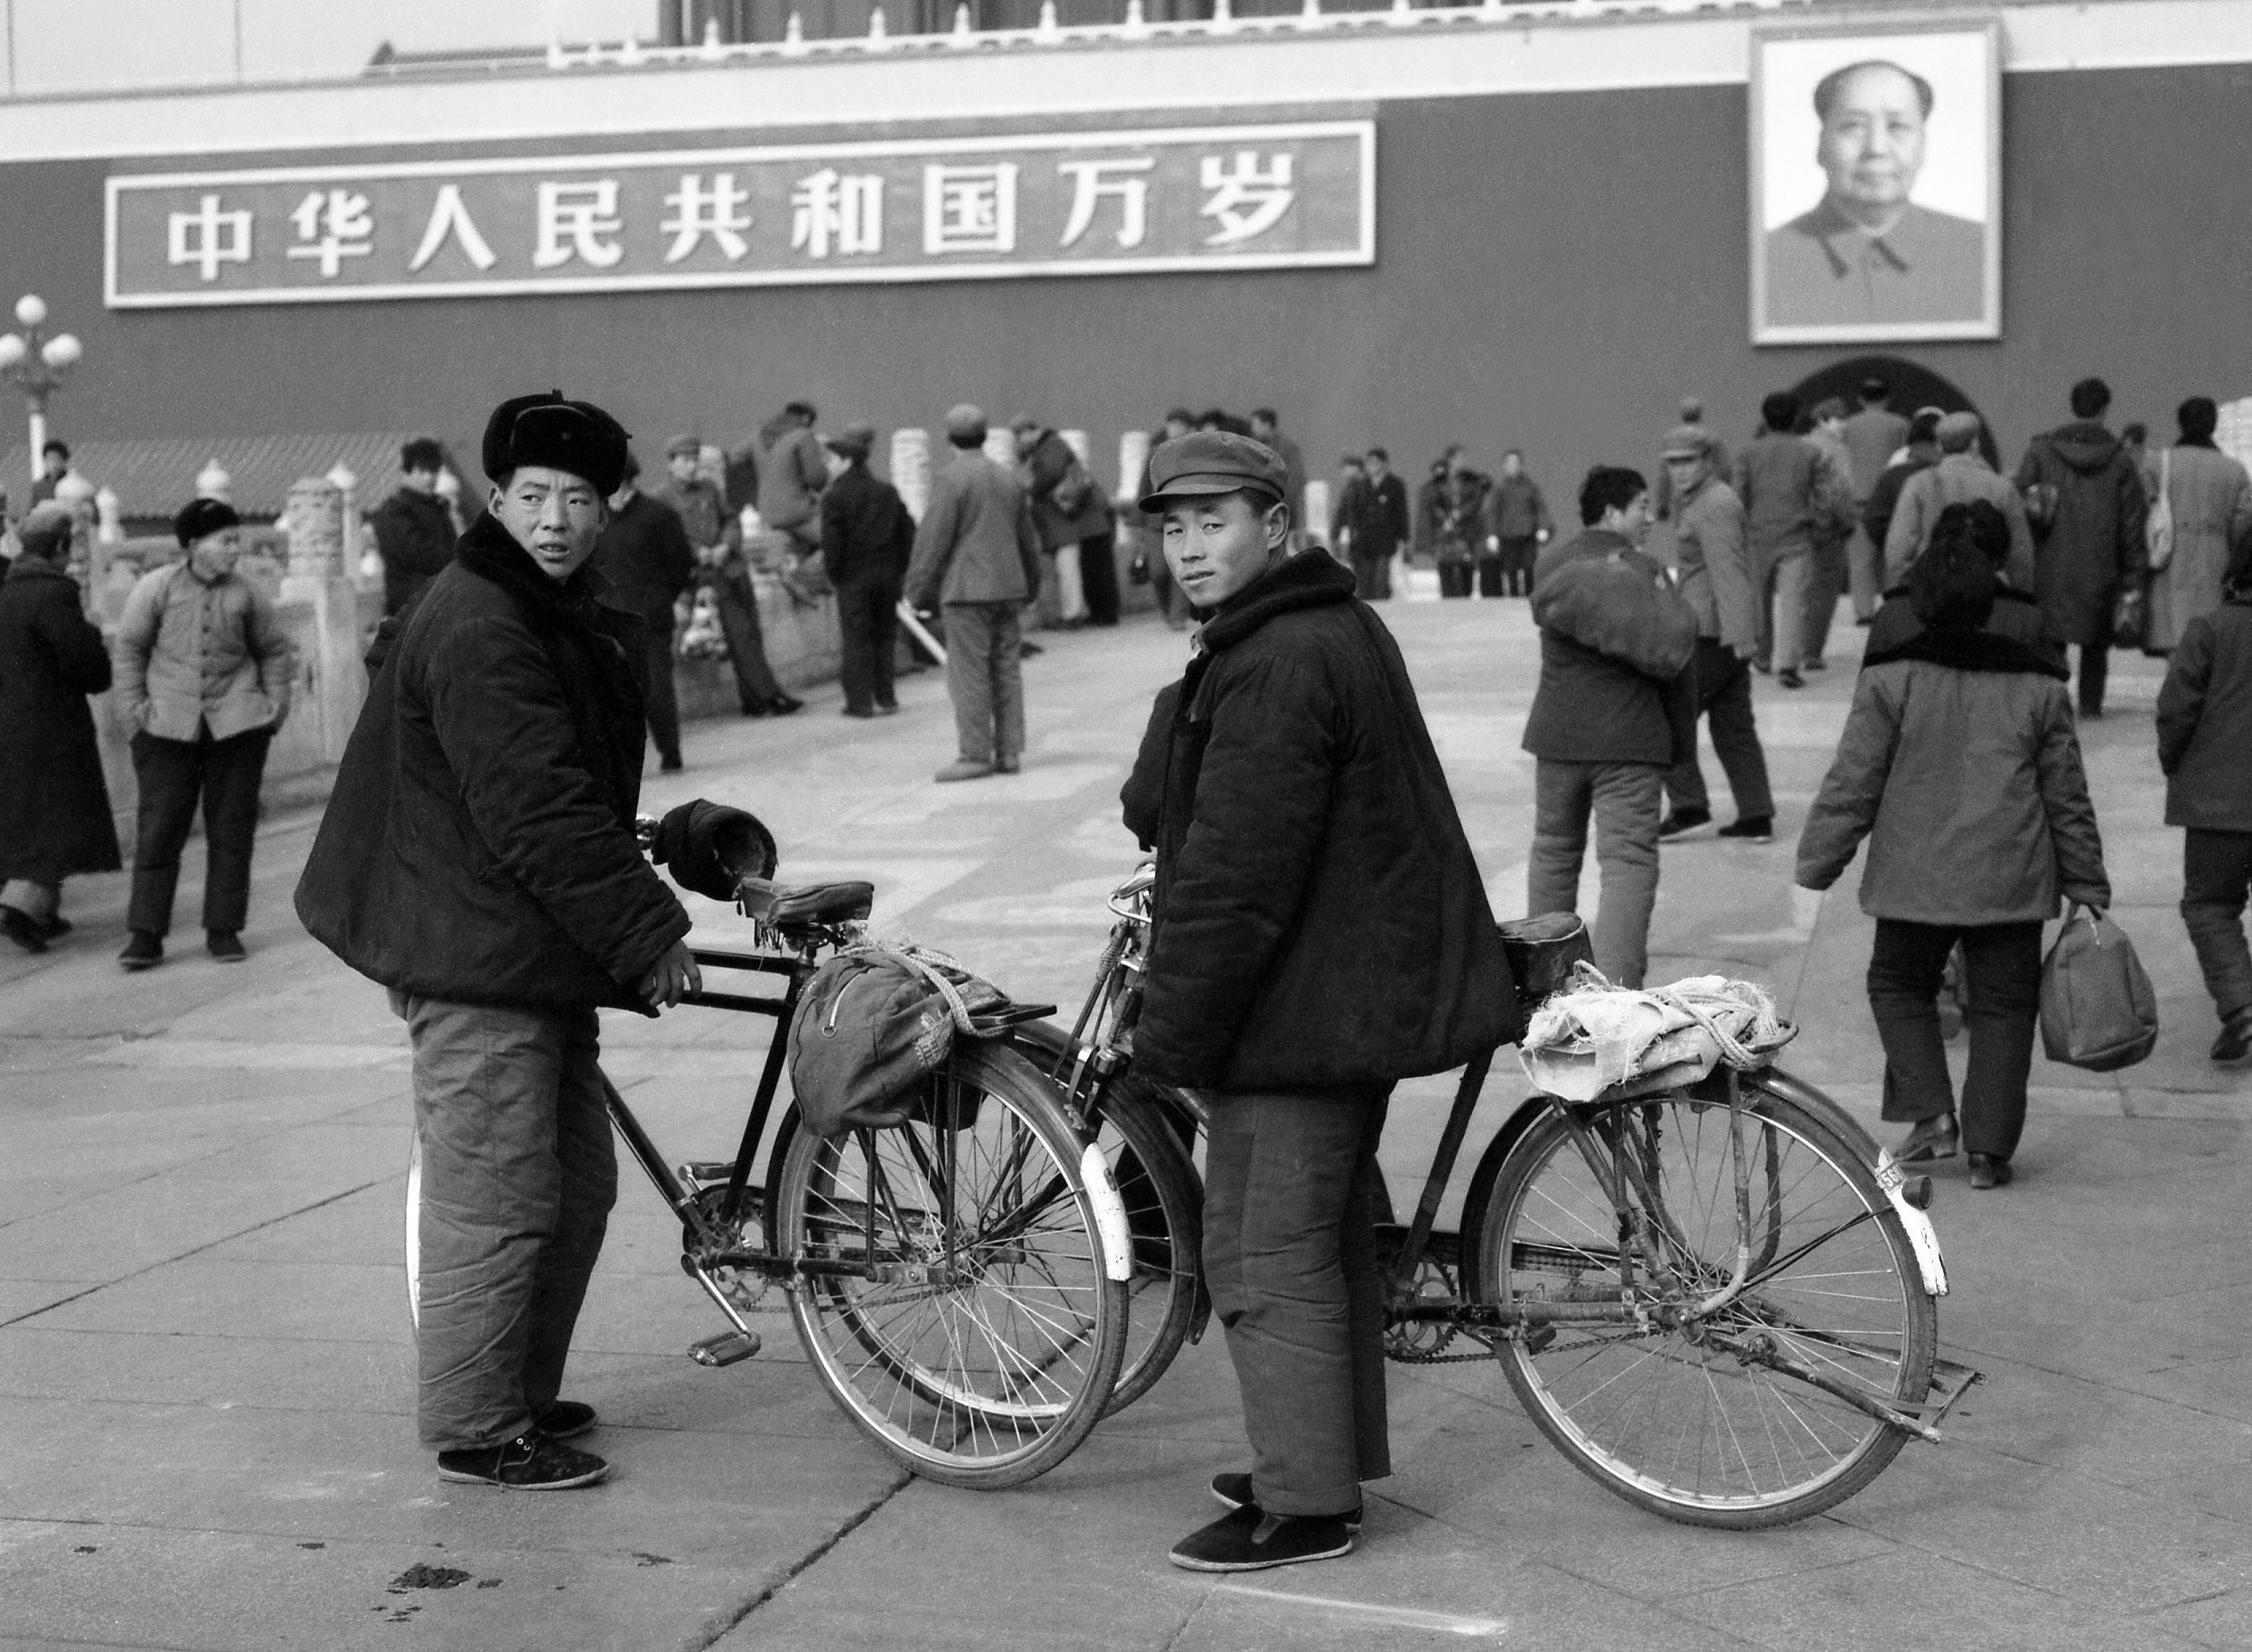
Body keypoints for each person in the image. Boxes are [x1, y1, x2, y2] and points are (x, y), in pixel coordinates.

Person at [1121, 429, 1513, 1573]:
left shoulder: (1279, 658)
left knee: (1258, 1250)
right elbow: (1179, 809)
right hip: (1344, 987)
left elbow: (1237, 881)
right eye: (1172, 528)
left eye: (1213, 524)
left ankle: (1303, 1504)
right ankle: (1320, 1461)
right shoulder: (1301, 628)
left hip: (1309, 1006)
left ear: (1273, 527)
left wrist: (1169, 1036)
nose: (1189, 549)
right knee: (1323, 1239)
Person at [296, 390, 699, 1492]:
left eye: (577, 498)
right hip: (469, 949)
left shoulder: (547, 604)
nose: (556, 519)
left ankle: (514, 1387)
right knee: (501, 1188)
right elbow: (538, 808)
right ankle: (477, 1423)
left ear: (610, 505)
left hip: (518, 941)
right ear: (495, 497)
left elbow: (562, 794)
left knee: (574, 1182)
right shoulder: (480, 619)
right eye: (533, 496)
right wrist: (647, 933)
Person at [1798, 520, 2110, 1190]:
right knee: (2004, 1007)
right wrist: (2086, 879)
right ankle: (1990, 1152)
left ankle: (1933, 1117)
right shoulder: (2040, 686)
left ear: (1921, 604)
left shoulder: (1892, 679)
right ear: (1989, 599)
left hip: (1917, 878)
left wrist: (1818, 860)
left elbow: (1854, 781)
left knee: (1898, 985)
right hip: (2011, 878)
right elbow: (2067, 796)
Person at [1524, 466, 1698, 987]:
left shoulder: (1552, 562)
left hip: (1557, 737)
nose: (1650, 517)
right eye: (1642, 505)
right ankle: (1619, 994)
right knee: (1627, 866)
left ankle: (1542, 987)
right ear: (1612, 512)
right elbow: (1678, 666)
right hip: (1630, 741)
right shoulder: (1645, 572)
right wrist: (1680, 752)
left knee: (1553, 852)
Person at [111, 498, 293, 970]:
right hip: (165, 728)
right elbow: (129, 650)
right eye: (226, 540)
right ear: (194, 545)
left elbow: (275, 651)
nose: (236, 549)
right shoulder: (156, 588)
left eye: (238, 540)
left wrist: (273, 712)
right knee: (159, 832)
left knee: (232, 831)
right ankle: (146, 934)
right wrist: (133, 716)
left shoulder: (248, 593)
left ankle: (224, 930)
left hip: (238, 728)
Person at [1763, 59, 1986, 329]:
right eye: (1854, 126)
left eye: (1897, 127)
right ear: (1820, 145)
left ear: (1923, 146)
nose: (1876, 148)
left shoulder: (1981, 253)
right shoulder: (1765, 261)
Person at [904, 405, 1044, 784]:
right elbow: (1028, 540)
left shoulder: (950, 479)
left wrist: (916, 590)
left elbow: (933, 540)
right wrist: (1032, 584)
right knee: (1006, 670)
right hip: (1008, 587)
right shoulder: (1008, 478)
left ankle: (975, 753)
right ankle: (1010, 750)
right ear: (984, 435)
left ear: (950, 438)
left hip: (966, 591)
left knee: (969, 674)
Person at [0, 505, 118, 953]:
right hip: (52, 729)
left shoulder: (7, 591)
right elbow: (86, 665)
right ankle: (21, 910)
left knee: (32, 822)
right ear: (62, 548)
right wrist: (93, 640)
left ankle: (42, 912)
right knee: (56, 822)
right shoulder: (54, 594)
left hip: (11, 727)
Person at [2157, 541, 2252, 1062]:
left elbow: (2175, 711)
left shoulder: (2209, 631)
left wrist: (2177, 765)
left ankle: (2242, 1006)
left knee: (2211, 905)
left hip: (2221, 806)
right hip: (2223, 801)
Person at [1657, 427, 1774, 843]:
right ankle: (1756, 815)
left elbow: (1730, 573)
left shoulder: (1714, 503)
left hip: (1713, 634)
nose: (1679, 470)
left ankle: (1689, 807)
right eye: (1672, 462)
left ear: (1707, 460)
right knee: (1733, 724)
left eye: (1687, 460)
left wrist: (1741, 637)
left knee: (1669, 717)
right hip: (1718, 631)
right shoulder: (1704, 499)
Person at [2015, 378, 2148, 718]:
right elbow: (2132, 523)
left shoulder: (2041, 451)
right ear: (2105, 409)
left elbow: (2022, 506)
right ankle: (2090, 706)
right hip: (2102, 565)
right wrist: (2134, 574)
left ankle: (2052, 707)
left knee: (2051, 642)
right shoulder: (2120, 460)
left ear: (2073, 406)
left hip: (2050, 563)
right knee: (2096, 644)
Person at [675, 431, 801, 719]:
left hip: (732, 566)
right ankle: (769, 697)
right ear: (672, 464)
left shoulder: (708, 489)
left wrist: (725, 545)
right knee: (741, 636)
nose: (692, 466)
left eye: (694, 460)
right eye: (685, 460)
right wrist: (700, 552)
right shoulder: (665, 497)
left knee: (752, 634)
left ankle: (754, 700)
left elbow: (730, 518)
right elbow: (672, 535)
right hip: (707, 577)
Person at [591, 453, 696, 771]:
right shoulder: (595, 519)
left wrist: (667, 598)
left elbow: (680, 564)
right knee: (615, 696)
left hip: (649, 617)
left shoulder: (659, 515)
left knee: (656, 690)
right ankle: (626, 764)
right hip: (607, 619)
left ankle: (670, 752)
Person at [1736, 392, 1848, 688]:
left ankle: (1761, 656)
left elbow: (1739, 495)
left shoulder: (1748, 453)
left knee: (1759, 601)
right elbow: (1827, 493)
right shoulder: (1810, 452)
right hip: (1797, 536)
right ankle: (1788, 665)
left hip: (1758, 536)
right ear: (1796, 418)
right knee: (1793, 602)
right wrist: (1821, 521)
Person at [820, 419, 915, 718]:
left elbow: (832, 545)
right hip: (887, 576)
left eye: (832, 460)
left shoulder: (834, 497)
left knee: (857, 639)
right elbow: (907, 532)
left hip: (854, 578)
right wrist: (898, 568)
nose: (829, 466)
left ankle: (860, 702)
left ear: (847, 462)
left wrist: (835, 575)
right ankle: (886, 697)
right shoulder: (886, 491)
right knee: (885, 636)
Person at [2144, 396, 2252, 654]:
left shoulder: (2158, 463)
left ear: (2180, 424)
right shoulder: (2234, 471)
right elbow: (2243, 530)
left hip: (2168, 567)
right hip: (2216, 567)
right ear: (2213, 426)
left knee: (2175, 646)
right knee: (2209, 645)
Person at [1887, 410, 2035, 590]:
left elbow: (1899, 548)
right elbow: (2019, 552)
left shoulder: (1918, 484)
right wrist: (2021, 594)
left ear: (1940, 446)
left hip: (1932, 592)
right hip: (1986, 593)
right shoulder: (2002, 487)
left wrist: (1903, 590)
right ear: (1975, 444)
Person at [1015, 418, 1120, 627]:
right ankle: (1097, 614)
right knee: (1092, 568)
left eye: (1019, 435)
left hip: (1078, 521)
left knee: (1088, 569)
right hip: (1080, 520)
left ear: (1030, 431)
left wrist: (1031, 488)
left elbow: (1052, 472)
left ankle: (1094, 615)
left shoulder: (1051, 444)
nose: (1019, 440)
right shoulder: (1050, 445)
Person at [1840, 378, 1910, 622]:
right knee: (1894, 554)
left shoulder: (1848, 425)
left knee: (1861, 559)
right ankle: (1893, 606)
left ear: (1860, 399)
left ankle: (1863, 612)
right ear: (1887, 398)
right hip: (1893, 497)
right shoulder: (1900, 424)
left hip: (1858, 498)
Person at [370, 437, 458, 616]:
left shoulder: (437, 506)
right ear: (407, 471)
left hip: (440, 599)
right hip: (411, 604)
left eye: (433, 470)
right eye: (422, 470)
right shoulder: (395, 511)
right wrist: (459, 561)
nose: (429, 478)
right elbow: (416, 553)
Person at [1800, 397, 1857, 669]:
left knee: (1802, 590)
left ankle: (1794, 646)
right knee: (1824, 590)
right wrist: (1848, 522)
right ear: (1823, 419)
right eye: (1838, 419)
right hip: (1829, 528)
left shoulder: (1802, 444)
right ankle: (1811, 651)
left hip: (1800, 528)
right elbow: (1841, 492)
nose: (1844, 425)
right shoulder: (1837, 450)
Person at [1861, 407, 1942, 584]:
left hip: (1903, 570)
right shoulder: (1951, 473)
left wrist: (1891, 543)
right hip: (1946, 567)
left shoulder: (1894, 473)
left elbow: (1874, 520)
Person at [1136, 409, 1197, 627]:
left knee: (1180, 568)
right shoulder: (1155, 453)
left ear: (1188, 428)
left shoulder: (1194, 453)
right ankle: (1167, 610)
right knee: (1158, 572)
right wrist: (1138, 521)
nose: (1175, 429)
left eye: (1180, 424)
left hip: (1183, 518)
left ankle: (1177, 615)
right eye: (1172, 424)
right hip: (1155, 521)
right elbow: (1143, 488)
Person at [1337, 447, 1409, 599]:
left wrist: (1404, 538)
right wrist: (1348, 536)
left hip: (1385, 540)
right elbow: (1352, 514)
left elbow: (1401, 513)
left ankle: (1382, 608)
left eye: (1376, 462)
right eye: (1369, 462)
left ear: (1385, 464)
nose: (1372, 466)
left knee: (1380, 581)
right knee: (1364, 581)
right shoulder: (1360, 485)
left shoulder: (1394, 485)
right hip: (1363, 540)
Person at [1481, 449, 1552, 597]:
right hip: (1508, 536)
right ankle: (1513, 598)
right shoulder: (1499, 488)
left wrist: (1543, 527)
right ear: (1504, 466)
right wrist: (1492, 534)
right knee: (1511, 570)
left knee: (1529, 568)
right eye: (1510, 463)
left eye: (1516, 463)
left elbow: (1540, 508)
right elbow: (1492, 512)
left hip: (1527, 535)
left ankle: (1530, 597)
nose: (1513, 466)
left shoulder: (1530, 487)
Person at [1655, 398, 1732, 521]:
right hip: (1708, 494)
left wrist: (1662, 504)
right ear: (1700, 413)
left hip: (1681, 496)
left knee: (1684, 534)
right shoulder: (1711, 437)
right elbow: (1724, 468)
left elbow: (1664, 475)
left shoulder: (1669, 439)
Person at [1427, 446, 1489, 599]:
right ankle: (1447, 600)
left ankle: (1465, 600)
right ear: (1451, 460)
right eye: (1459, 458)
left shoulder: (1471, 480)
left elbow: (1476, 501)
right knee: (1446, 568)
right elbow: (1433, 504)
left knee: (1466, 569)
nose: (1463, 461)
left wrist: (1460, 514)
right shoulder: (1439, 482)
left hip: (1466, 530)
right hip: (1445, 531)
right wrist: (1445, 518)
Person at [1247, 408, 1308, 546]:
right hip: (1263, 509)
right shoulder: (1254, 447)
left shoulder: (1288, 448)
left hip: (1281, 508)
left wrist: (1282, 504)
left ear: (1267, 425)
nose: (1253, 429)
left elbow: (1295, 480)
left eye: (1255, 424)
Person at [29, 439, 71, 506]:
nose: (54, 464)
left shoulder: (72, 485)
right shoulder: (38, 487)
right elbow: (32, 511)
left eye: (57, 459)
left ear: (64, 461)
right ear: (44, 461)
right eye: (50, 459)